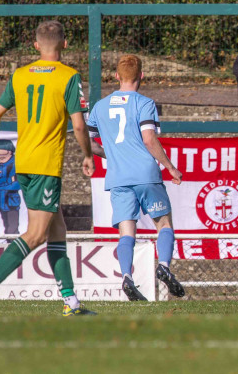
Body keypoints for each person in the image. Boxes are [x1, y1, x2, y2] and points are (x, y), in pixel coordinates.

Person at [0, 20, 97, 317]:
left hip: (24, 163)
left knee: (57, 231)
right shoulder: (69, 76)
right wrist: (88, 154)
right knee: (37, 234)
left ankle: (71, 301)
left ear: (36, 46)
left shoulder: (20, 75)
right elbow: (78, 124)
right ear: (65, 45)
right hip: (45, 166)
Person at [87, 54, 186, 301]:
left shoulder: (99, 107)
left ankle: (126, 277)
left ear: (117, 76)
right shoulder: (144, 103)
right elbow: (149, 139)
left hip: (118, 177)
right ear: (141, 76)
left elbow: (89, 144)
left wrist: (110, 154)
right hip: (145, 174)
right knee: (163, 224)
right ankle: (163, 265)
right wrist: (170, 167)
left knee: (126, 231)